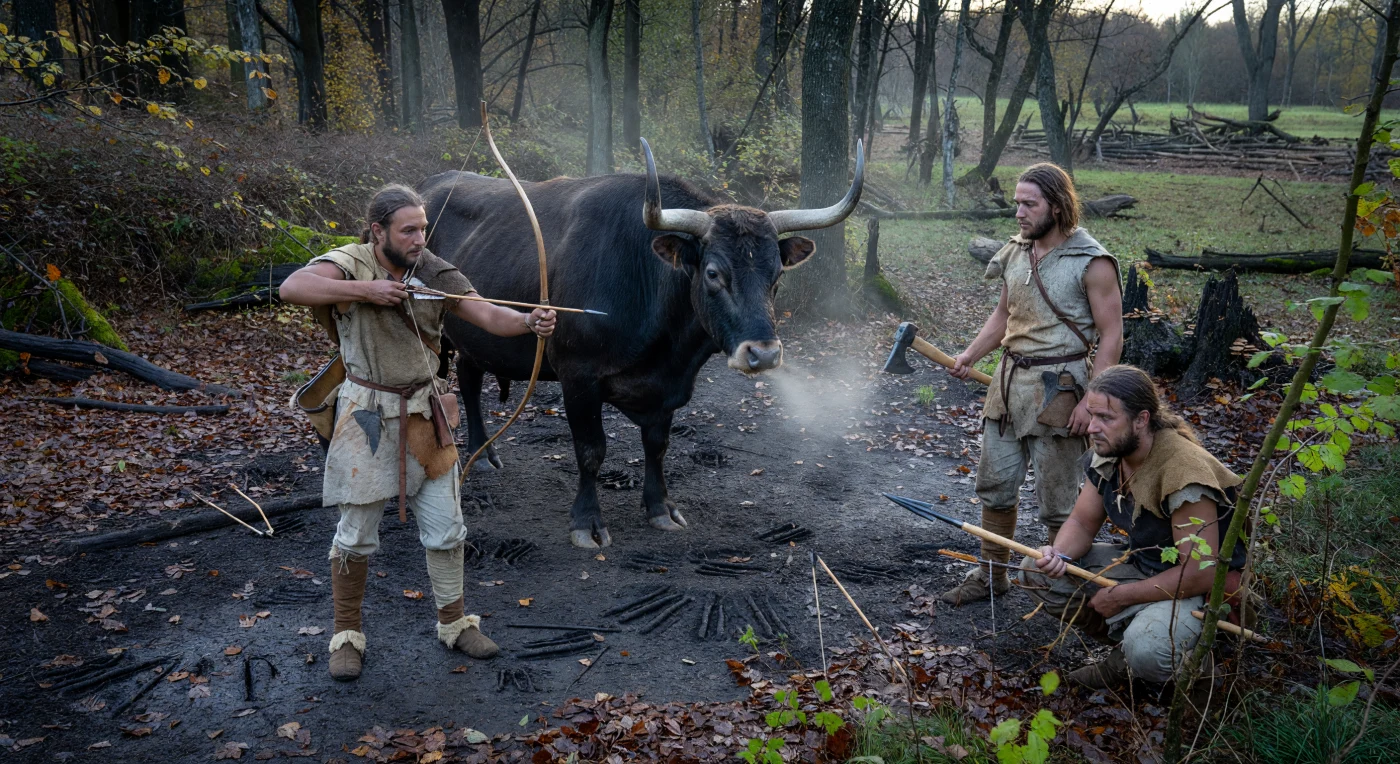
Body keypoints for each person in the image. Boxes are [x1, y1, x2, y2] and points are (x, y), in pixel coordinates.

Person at [279, 184, 557, 681]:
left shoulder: (433, 269)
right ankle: (346, 635)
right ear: (377, 230)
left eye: (423, 228)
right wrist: (367, 291)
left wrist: (528, 322)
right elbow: (292, 288)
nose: (419, 238)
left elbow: (486, 313)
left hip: (427, 414)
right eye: (408, 230)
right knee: (356, 534)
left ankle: (454, 624)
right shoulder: (351, 261)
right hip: (366, 414)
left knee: (448, 528)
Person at [943, 163, 1123, 605]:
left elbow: (1112, 336)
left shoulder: (1093, 262)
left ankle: (1060, 588)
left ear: (1057, 207)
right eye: (1016, 203)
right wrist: (970, 354)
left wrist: (1093, 404)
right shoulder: (1015, 251)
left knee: (1059, 502)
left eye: (1029, 204)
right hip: (1005, 387)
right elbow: (1004, 316)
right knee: (996, 485)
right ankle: (992, 576)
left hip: (1061, 391)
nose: (1018, 212)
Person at [1019, 365, 1247, 690]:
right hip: (1147, 566)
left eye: (1106, 419)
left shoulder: (1183, 472)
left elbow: (1200, 572)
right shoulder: (1111, 451)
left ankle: (1202, 677)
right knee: (1036, 571)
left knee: (1148, 650)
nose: (1093, 428)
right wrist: (1057, 555)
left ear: (1141, 419)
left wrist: (1121, 596)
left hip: (1200, 589)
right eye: (1091, 414)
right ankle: (1123, 656)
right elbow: (1083, 522)